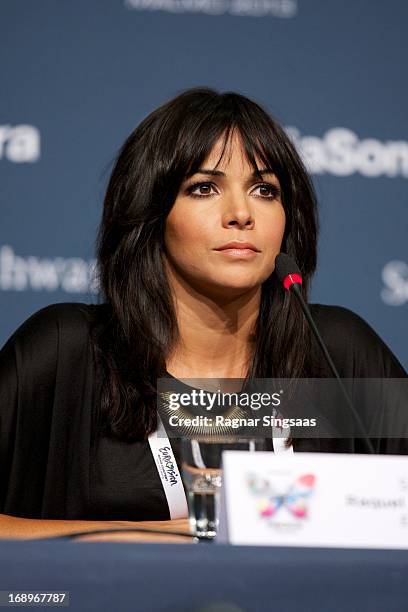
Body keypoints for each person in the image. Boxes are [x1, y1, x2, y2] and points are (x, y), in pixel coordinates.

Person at [0, 87, 406, 524]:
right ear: (151, 214)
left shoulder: (337, 354)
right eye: (205, 187)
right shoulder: (70, 353)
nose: (240, 213)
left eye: (264, 190)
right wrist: (143, 540)